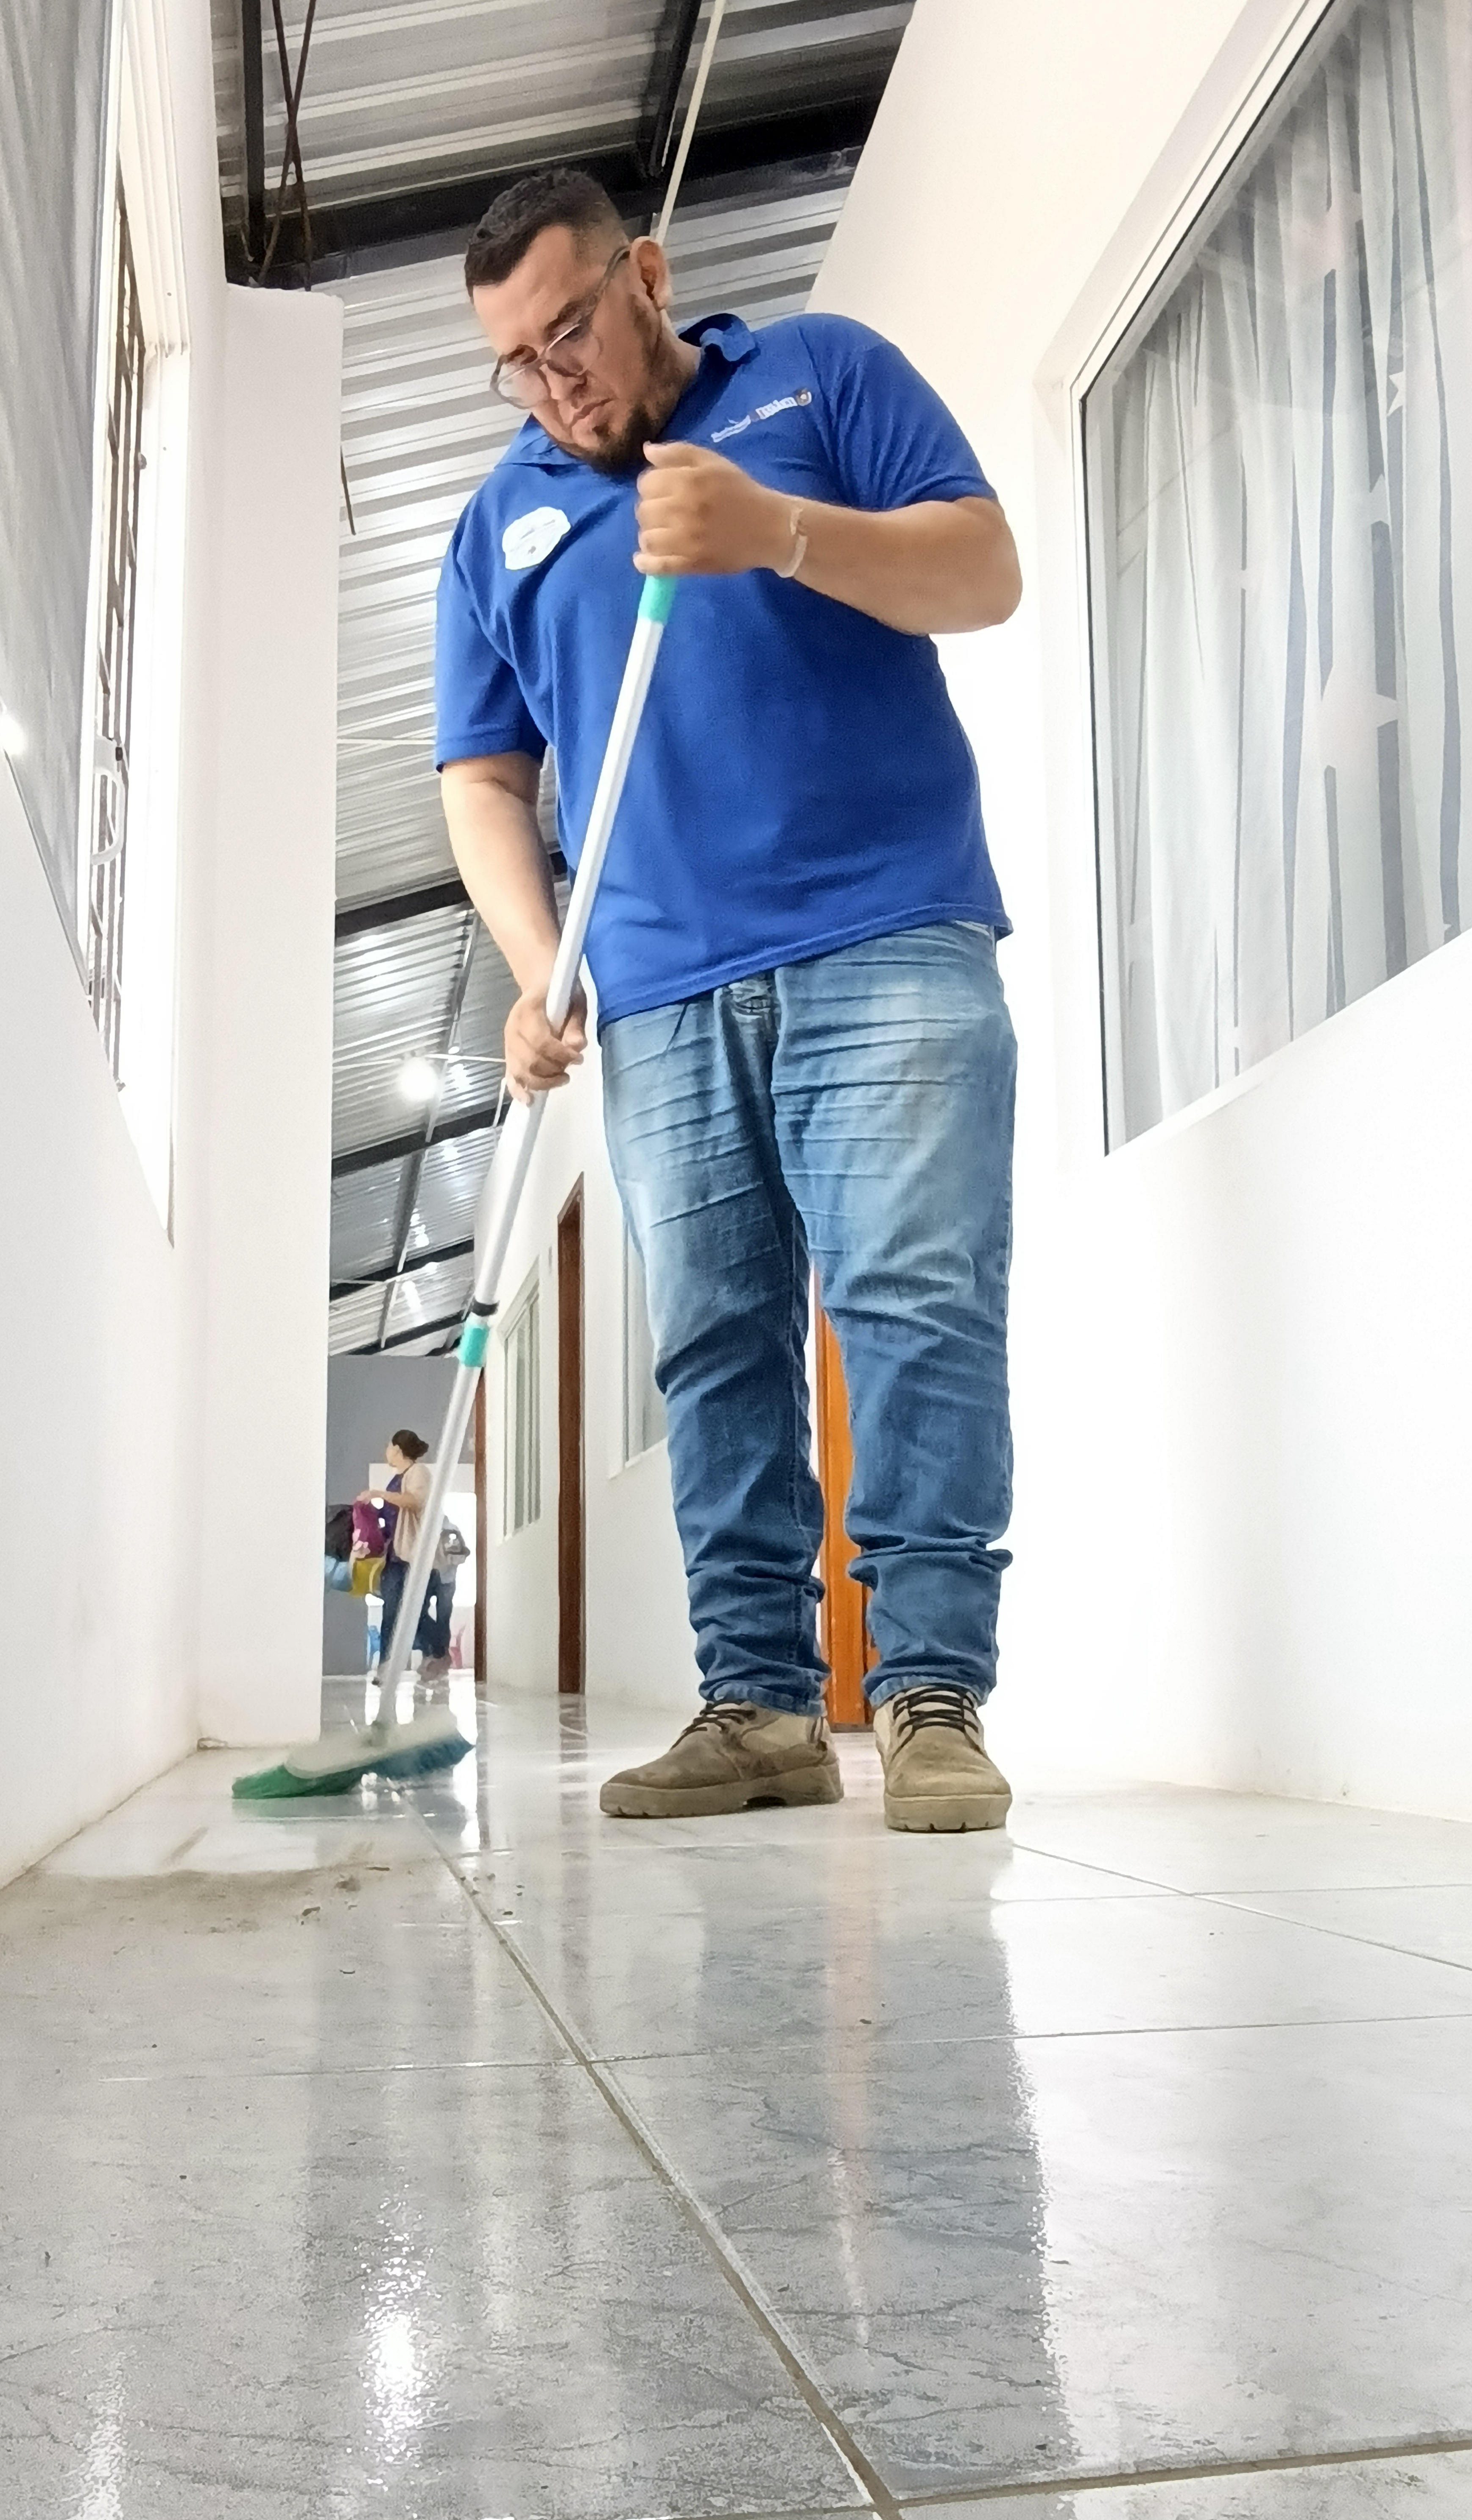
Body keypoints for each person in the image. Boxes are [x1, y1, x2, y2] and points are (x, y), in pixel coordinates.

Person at [435, 168, 1021, 1833]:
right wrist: (540, 964)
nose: (554, 383)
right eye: (515, 361)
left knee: (914, 1306)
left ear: (649, 275)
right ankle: (758, 1705)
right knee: (714, 1345)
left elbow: (982, 571)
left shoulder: (821, 378)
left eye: (570, 332)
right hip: (662, 991)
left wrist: (778, 532)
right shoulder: (498, 525)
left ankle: (928, 1693)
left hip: (887, 931)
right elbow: (484, 780)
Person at [358, 1433, 448, 1686]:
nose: (386, 1450)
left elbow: (414, 1502)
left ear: (398, 1449)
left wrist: (378, 1494)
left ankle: (437, 1654)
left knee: (412, 1613)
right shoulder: (396, 1479)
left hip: (413, 1556)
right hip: (395, 1557)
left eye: (389, 1446)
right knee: (392, 1612)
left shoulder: (418, 1473)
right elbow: (393, 1516)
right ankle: (388, 1668)